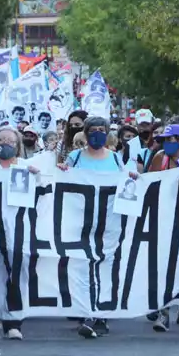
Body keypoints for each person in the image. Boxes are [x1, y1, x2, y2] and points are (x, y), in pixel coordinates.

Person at [59, 116, 137, 338]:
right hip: (80, 220)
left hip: (108, 221)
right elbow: (63, 181)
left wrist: (131, 177)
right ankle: (86, 311)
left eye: (101, 130)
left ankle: (102, 312)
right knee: (82, 265)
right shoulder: (75, 157)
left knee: (106, 264)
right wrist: (61, 170)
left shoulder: (114, 158)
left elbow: (125, 182)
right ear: (85, 133)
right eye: (92, 130)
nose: (97, 134)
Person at [0, 127, 41, 340]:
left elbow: (46, 191)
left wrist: (38, 176)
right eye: (0, 139)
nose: (4, 144)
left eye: (10, 141)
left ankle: (13, 321)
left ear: (18, 146)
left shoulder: (26, 167)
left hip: (18, 229)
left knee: (16, 271)